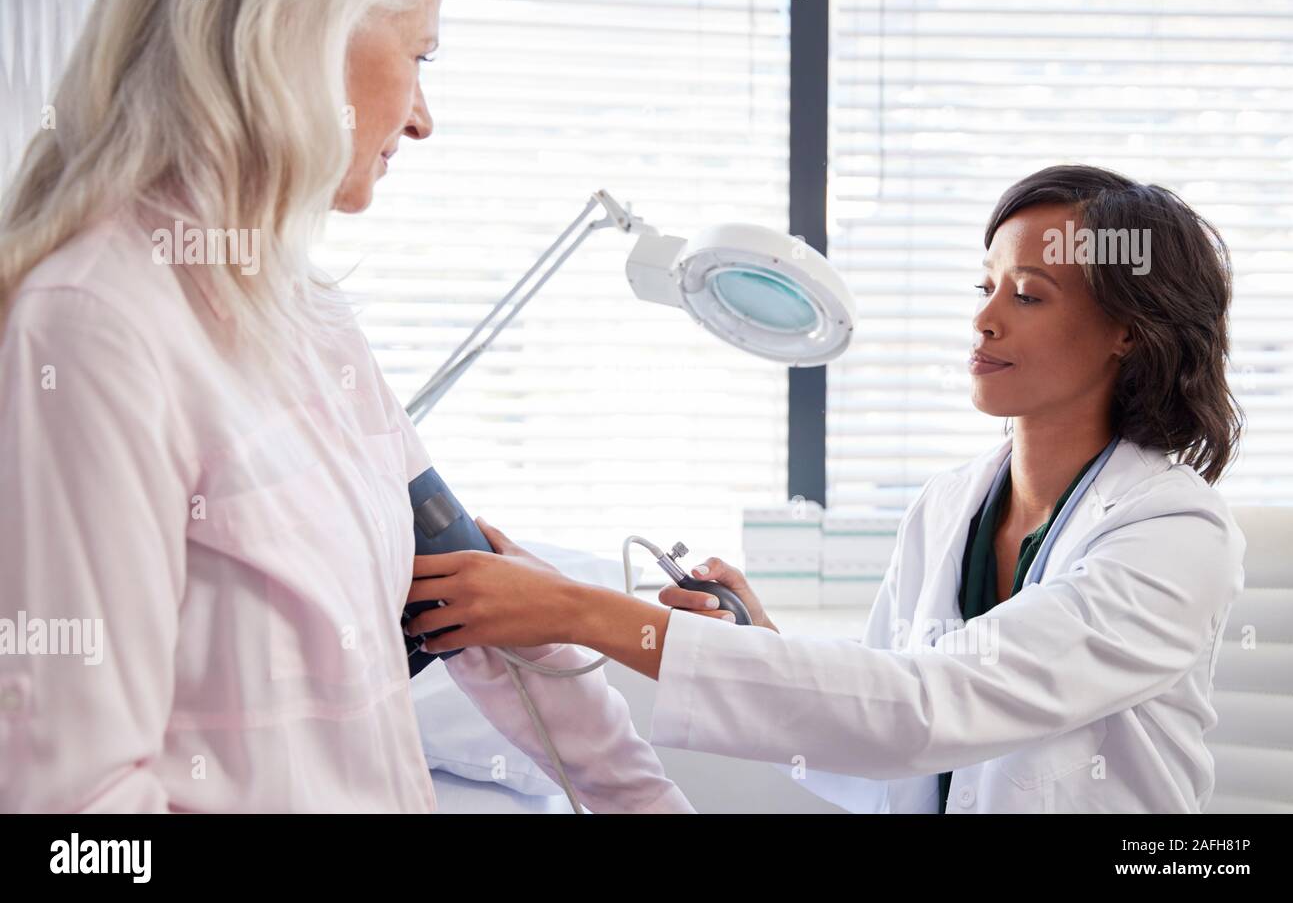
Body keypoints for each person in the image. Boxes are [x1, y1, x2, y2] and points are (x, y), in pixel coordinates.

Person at [0, 0, 690, 814]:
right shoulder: (97, 323)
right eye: (419, 56)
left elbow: (464, 602)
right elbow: (77, 812)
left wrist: (649, 802)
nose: (423, 118)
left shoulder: (308, 318)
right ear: (302, 35)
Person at [407, 164, 1248, 813]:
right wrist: (760, 642)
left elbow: (922, 709)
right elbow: (877, 756)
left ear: (1129, 335)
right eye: (984, 286)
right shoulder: (951, 506)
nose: (986, 318)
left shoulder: (1172, 534)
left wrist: (573, 611)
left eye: (1027, 294)